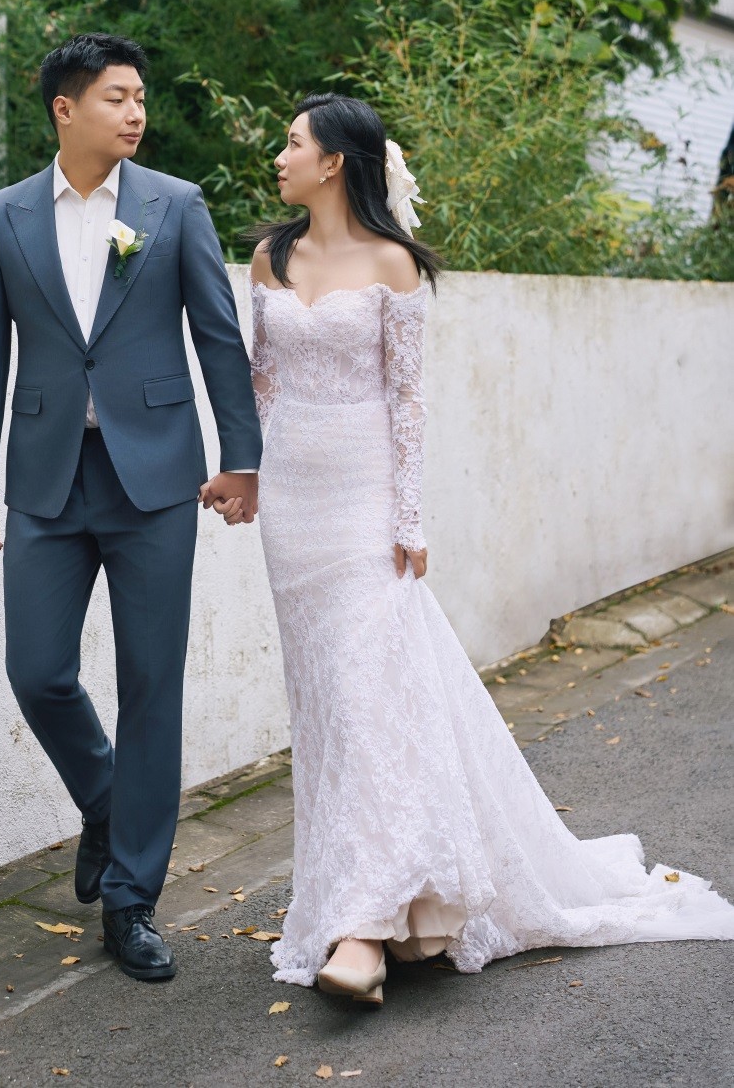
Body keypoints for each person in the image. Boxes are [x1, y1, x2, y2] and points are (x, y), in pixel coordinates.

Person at [242, 90, 734, 1004]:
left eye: (292, 141)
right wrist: (247, 475)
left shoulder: (392, 262)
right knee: (327, 712)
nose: (279, 155)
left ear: (334, 161)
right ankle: (384, 903)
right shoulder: (269, 256)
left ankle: (364, 926)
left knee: (369, 703)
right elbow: (259, 384)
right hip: (292, 511)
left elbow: (406, 399)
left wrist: (408, 518)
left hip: (362, 507)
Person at [0, 34, 261, 983]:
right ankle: (106, 801)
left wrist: (241, 459)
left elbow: (218, 337)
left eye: (139, 98)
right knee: (37, 671)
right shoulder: (3, 216)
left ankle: (132, 901)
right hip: (46, 478)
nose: (135, 113)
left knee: (151, 684)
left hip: (156, 478)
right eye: (116, 98)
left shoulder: (176, 205)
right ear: (66, 108)